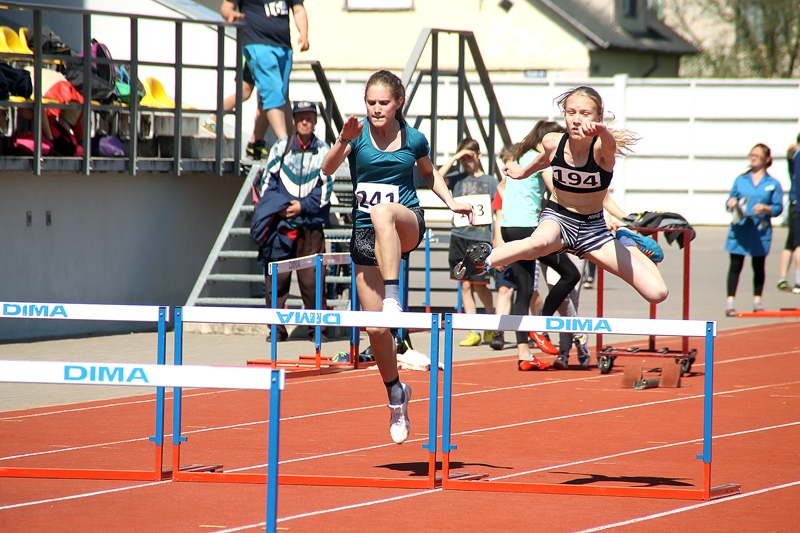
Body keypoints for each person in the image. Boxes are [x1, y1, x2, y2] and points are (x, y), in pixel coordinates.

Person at [320, 70, 473, 445]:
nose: (376, 109)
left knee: (384, 211)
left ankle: (393, 297)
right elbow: (326, 168)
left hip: (406, 223)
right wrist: (343, 140)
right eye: (370, 102)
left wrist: (451, 202)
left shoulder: (413, 138)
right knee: (375, 331)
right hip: (365, 236)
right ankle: (396, 394)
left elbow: (429, 174)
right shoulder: (356, 136)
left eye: (383, 103)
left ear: (398, 103)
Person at [454, 86, 668, 310]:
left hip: (593, 230)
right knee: (537, 243)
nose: (577, 120)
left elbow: (610, 145)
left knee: (657, 293)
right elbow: (544, 159)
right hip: (558, 218)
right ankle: (482, 261)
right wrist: (523, 172)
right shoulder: (553, 142)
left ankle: (628, 242)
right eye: (571, 113)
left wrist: (601, 130)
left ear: (598, 117)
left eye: (584, 114)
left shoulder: (601, 149)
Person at [495, 121, 581, 371]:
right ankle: (541, 326)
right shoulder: (541, 160)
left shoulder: (519, 157)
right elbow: (557, 190)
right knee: (570, 273)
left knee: (523, 291)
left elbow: (510, 191)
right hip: (528, 230)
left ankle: (524, 354)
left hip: (510, 228)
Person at [260, 101, 333, 341]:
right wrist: (281, 207)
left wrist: (302, 206)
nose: (304, 121)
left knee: (313, 283)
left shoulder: (324, 151)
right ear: (293, 121)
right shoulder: (280, 147)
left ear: (315, 121)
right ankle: (277, 331)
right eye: (300, 117)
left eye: (309, 117)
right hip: (280, 227)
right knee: (276, 282)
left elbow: (325, 190)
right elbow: (267, 184)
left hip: (311, 228)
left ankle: (317, 331)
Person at [221, 0, 309, 160]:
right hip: (256, 43)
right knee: (272, 93)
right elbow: (226, 7)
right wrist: (230, 14)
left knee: (279, 96)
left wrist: (303, 34)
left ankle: (256, 143)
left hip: (283, 47)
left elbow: (298, 10)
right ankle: (286, 144)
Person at [438, 138, 498, 347]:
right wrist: (455, 158)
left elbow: (498, 209)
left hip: (480, 239)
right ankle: (474, 331)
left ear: (479, 156)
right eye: (463, 159)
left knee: (480, 286)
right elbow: (436, 177)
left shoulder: (490, 182)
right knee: (464, 285)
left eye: (469, 157)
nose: (466, 162)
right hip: (459, 237)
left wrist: (496, 237)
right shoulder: (457, 179)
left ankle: (490, 324)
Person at [724, 143, 784, 315]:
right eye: (751, 155)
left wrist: (766, 208)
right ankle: (730, 302)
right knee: (735, 264)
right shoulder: (741, 180)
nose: (753, 159)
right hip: (740, 228)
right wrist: (731, 203)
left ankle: (757, 301)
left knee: (758, 265)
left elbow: (778, 207)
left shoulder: (772, 183)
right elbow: (730, 200)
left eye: (757, 156)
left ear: (766, 160)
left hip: (760, 230)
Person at [777, 134, 800, 293]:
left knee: (791, 242)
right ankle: (798, 281)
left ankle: (783, 278)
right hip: (797, 205)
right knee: (797, 243)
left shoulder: (794, 156)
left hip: (794, 204)